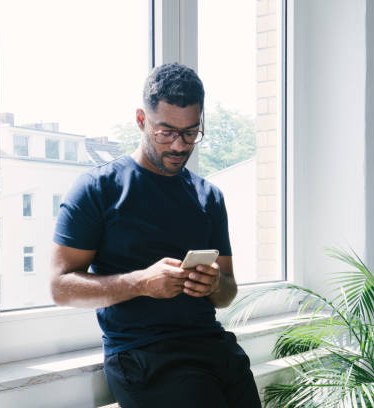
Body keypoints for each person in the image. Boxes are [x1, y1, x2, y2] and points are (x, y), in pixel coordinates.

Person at [50, 62, 261, 408]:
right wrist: (140, 283)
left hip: (216, 351)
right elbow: (60, 287)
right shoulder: (97, 189)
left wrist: (213, 285)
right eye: (166, 132)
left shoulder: (209, 196)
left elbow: (228, 291)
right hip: (147, 358)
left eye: (191, 133)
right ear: (141, 120)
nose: (179, 146)